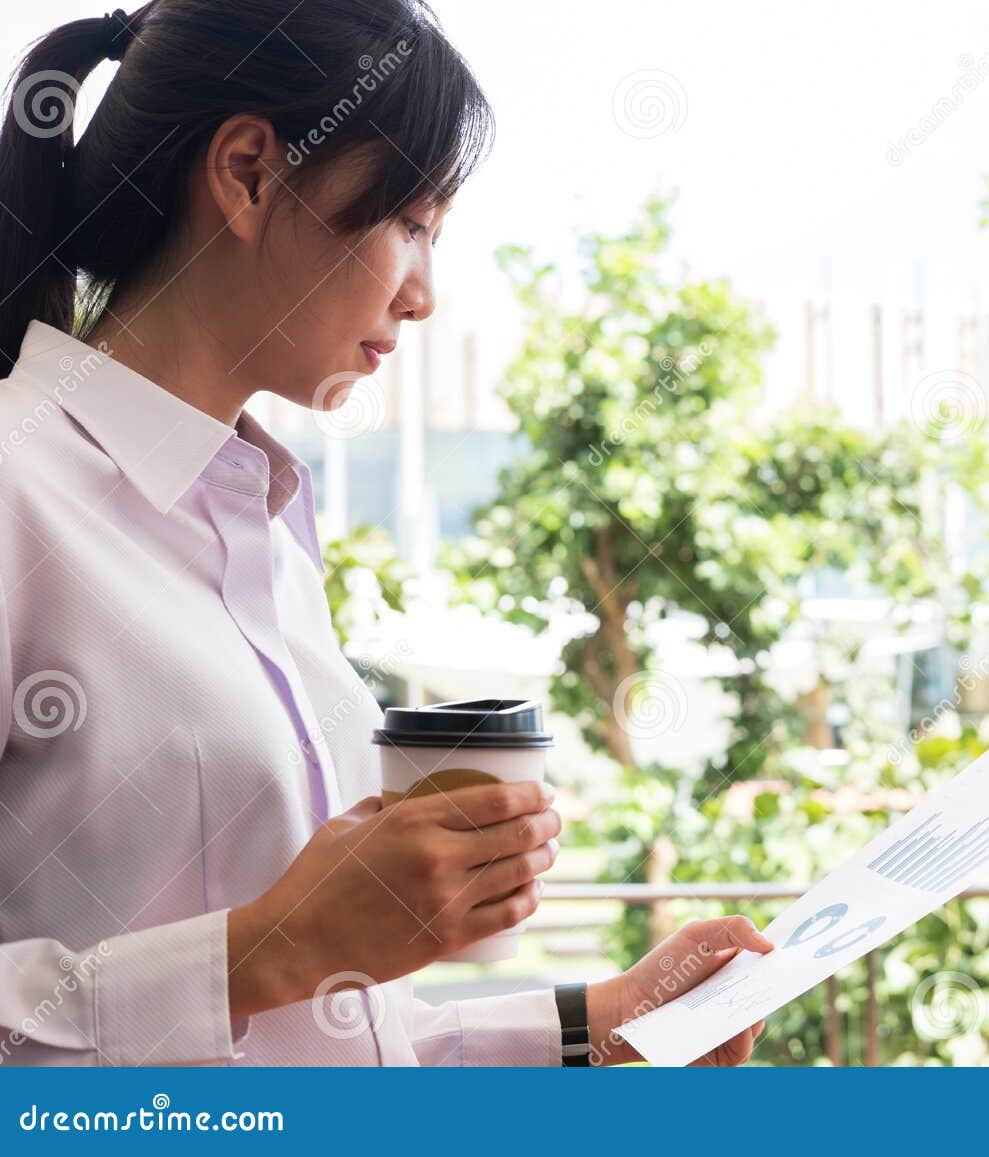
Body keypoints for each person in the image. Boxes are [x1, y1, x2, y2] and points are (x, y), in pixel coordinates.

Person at [0, 0, 771, 1067]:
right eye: (410, 222)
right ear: (250, 172)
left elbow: (316, 1035)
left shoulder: (268, 532)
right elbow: (267, 973)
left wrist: (607, 1022)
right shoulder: (16, 491)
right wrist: (268, 948)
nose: (424, 297)